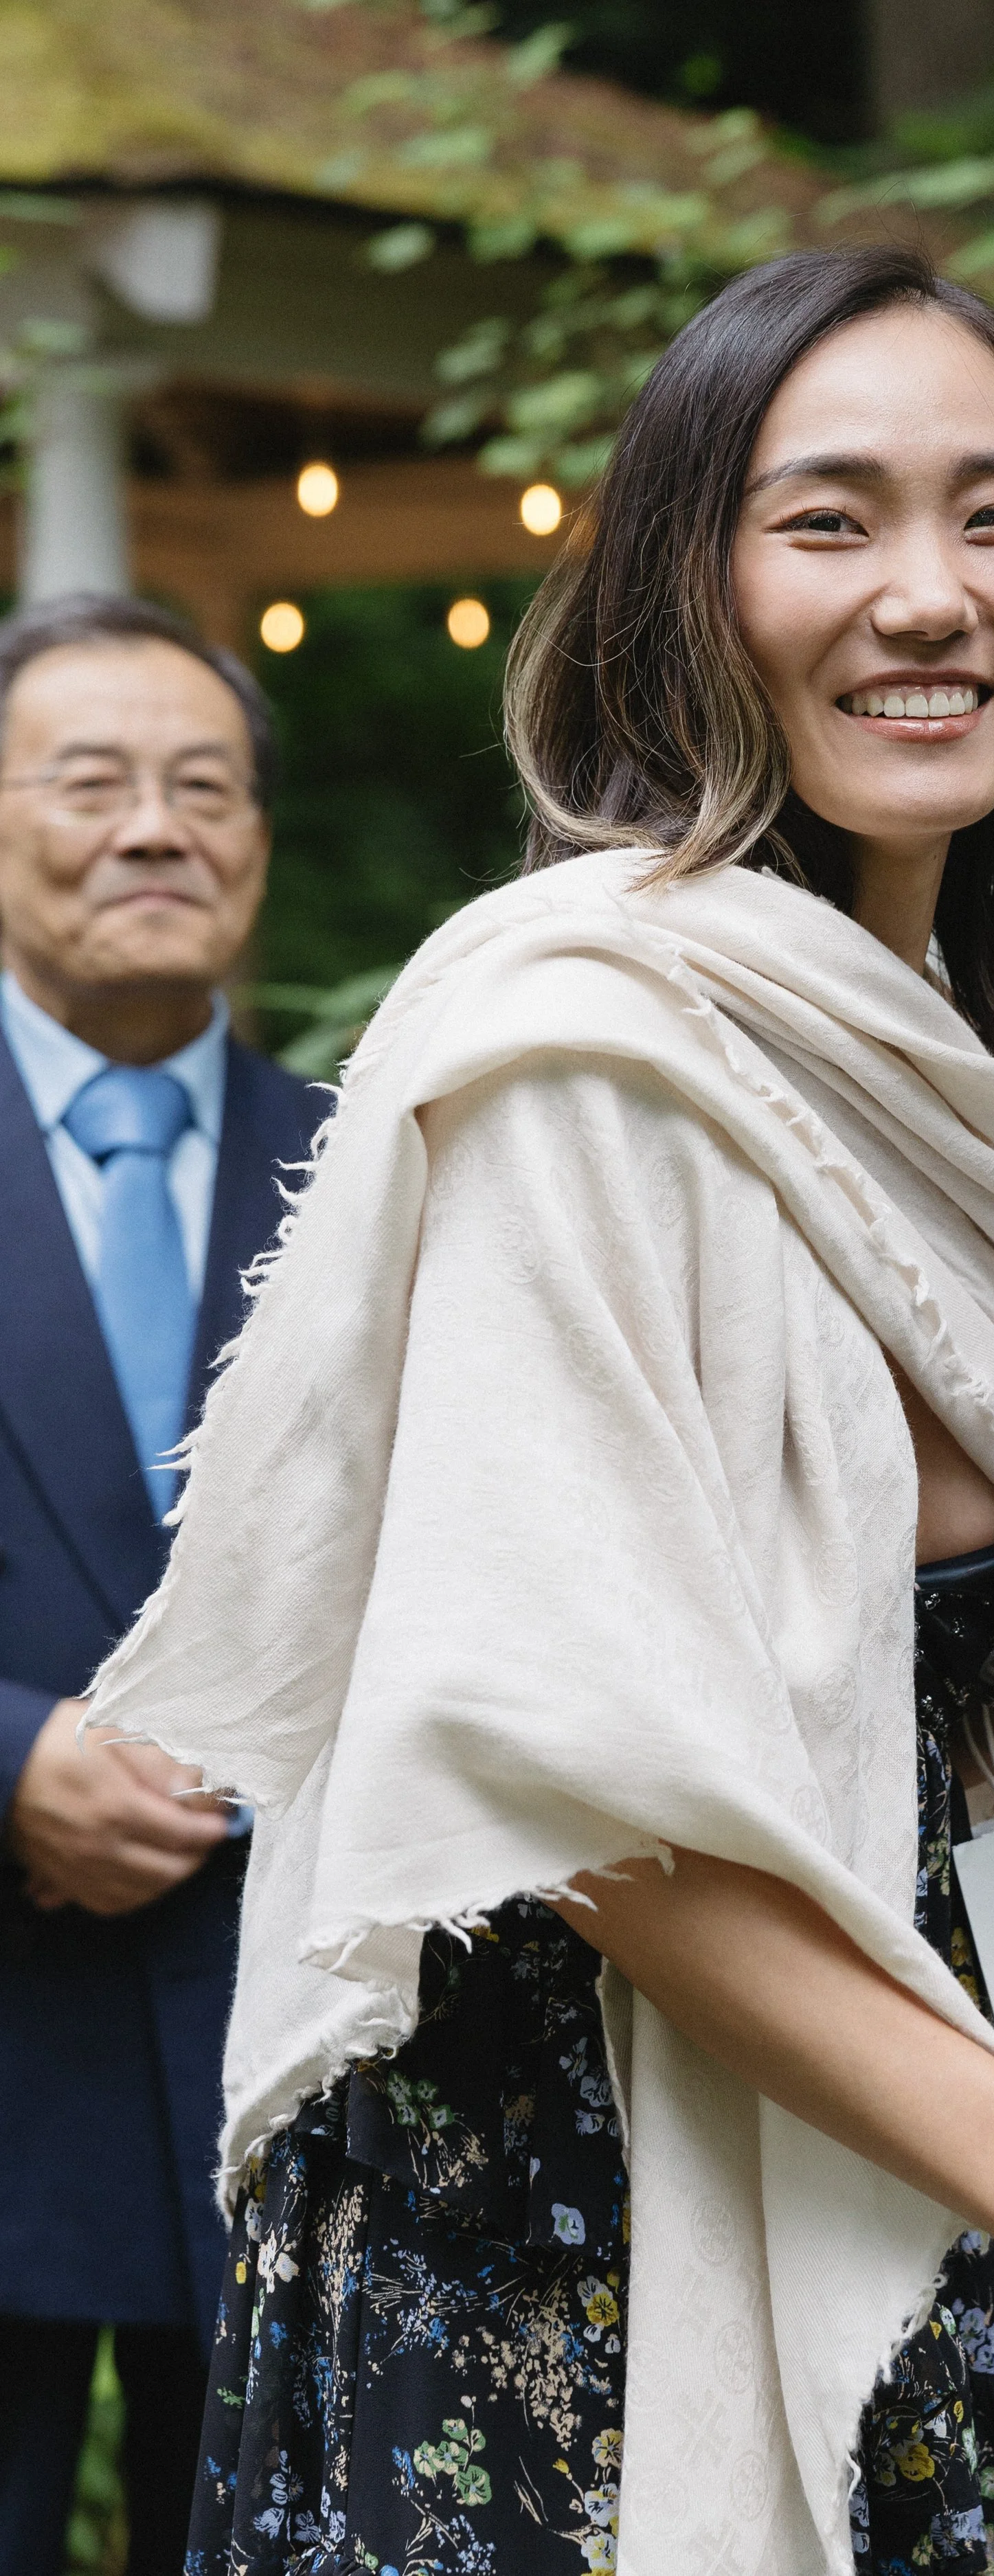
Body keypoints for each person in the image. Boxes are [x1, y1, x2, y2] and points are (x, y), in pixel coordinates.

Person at [82, 252, 994, 2576]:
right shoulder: (583, 1053)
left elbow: (837, 1750)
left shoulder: (973, 1085)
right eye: (829, 523)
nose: (930, 596)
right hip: (541, 2272)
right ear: (683, 592)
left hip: (876, 2195)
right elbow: (591, 1790)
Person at [0, 598, 323, 2576]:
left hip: (284, 2067)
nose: (154, 830)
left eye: (203, 788)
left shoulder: (376, 1166)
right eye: (91, 784)